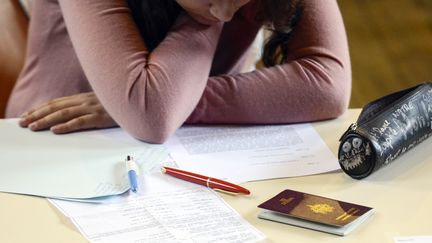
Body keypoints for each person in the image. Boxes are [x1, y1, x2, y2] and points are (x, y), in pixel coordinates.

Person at [6, 0, 351, 144]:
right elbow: (152, 114)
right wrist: (200, 21)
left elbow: (328, 84)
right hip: (54, 138)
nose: (226, 13)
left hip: (193, 143)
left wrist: (187, 102)